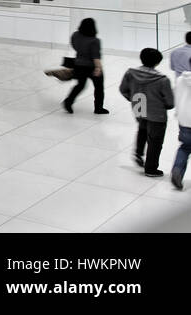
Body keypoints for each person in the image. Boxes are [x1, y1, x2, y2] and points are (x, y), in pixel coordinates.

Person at [119, 48, 175, 178]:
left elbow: (123, 89)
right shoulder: (162, 80)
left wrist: (132, 99)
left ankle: (138, 153)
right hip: (157, 114)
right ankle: (150, 169)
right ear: (157, 62)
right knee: (155, 141)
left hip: (139, 109)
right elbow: (170, 102)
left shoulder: (130, 73)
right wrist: (166, 106)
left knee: (142, 129)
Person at [63, 17, 106, 114]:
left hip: (78, 64)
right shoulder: (95, 41)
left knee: (80, 85)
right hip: (91, 67)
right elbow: (96, 57)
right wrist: (98, 68)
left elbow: (74, 45)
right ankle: (98, 108)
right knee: (99, 87)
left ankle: (68, 101)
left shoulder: (75, 35)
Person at [172, 69, 191, 190]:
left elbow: (177, 98)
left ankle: (177, 170)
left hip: (184, 120)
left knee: (185, 147)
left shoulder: (180, 79)